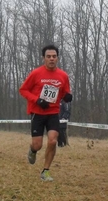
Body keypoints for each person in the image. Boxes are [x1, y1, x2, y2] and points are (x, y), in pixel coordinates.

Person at [19, 44, 72, 181]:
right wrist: (37, 100)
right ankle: (32, 150)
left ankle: (45, 171)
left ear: (58, 58)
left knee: (53, 141)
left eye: (54, 56)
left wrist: (67, 97)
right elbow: (23, 90)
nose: (51, 59)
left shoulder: (63, 76)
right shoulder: (36, 73)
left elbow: (65, 92)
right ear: (44, 58)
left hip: (53, 113)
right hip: (37, 113)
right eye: (48, 56)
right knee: (38, 144)